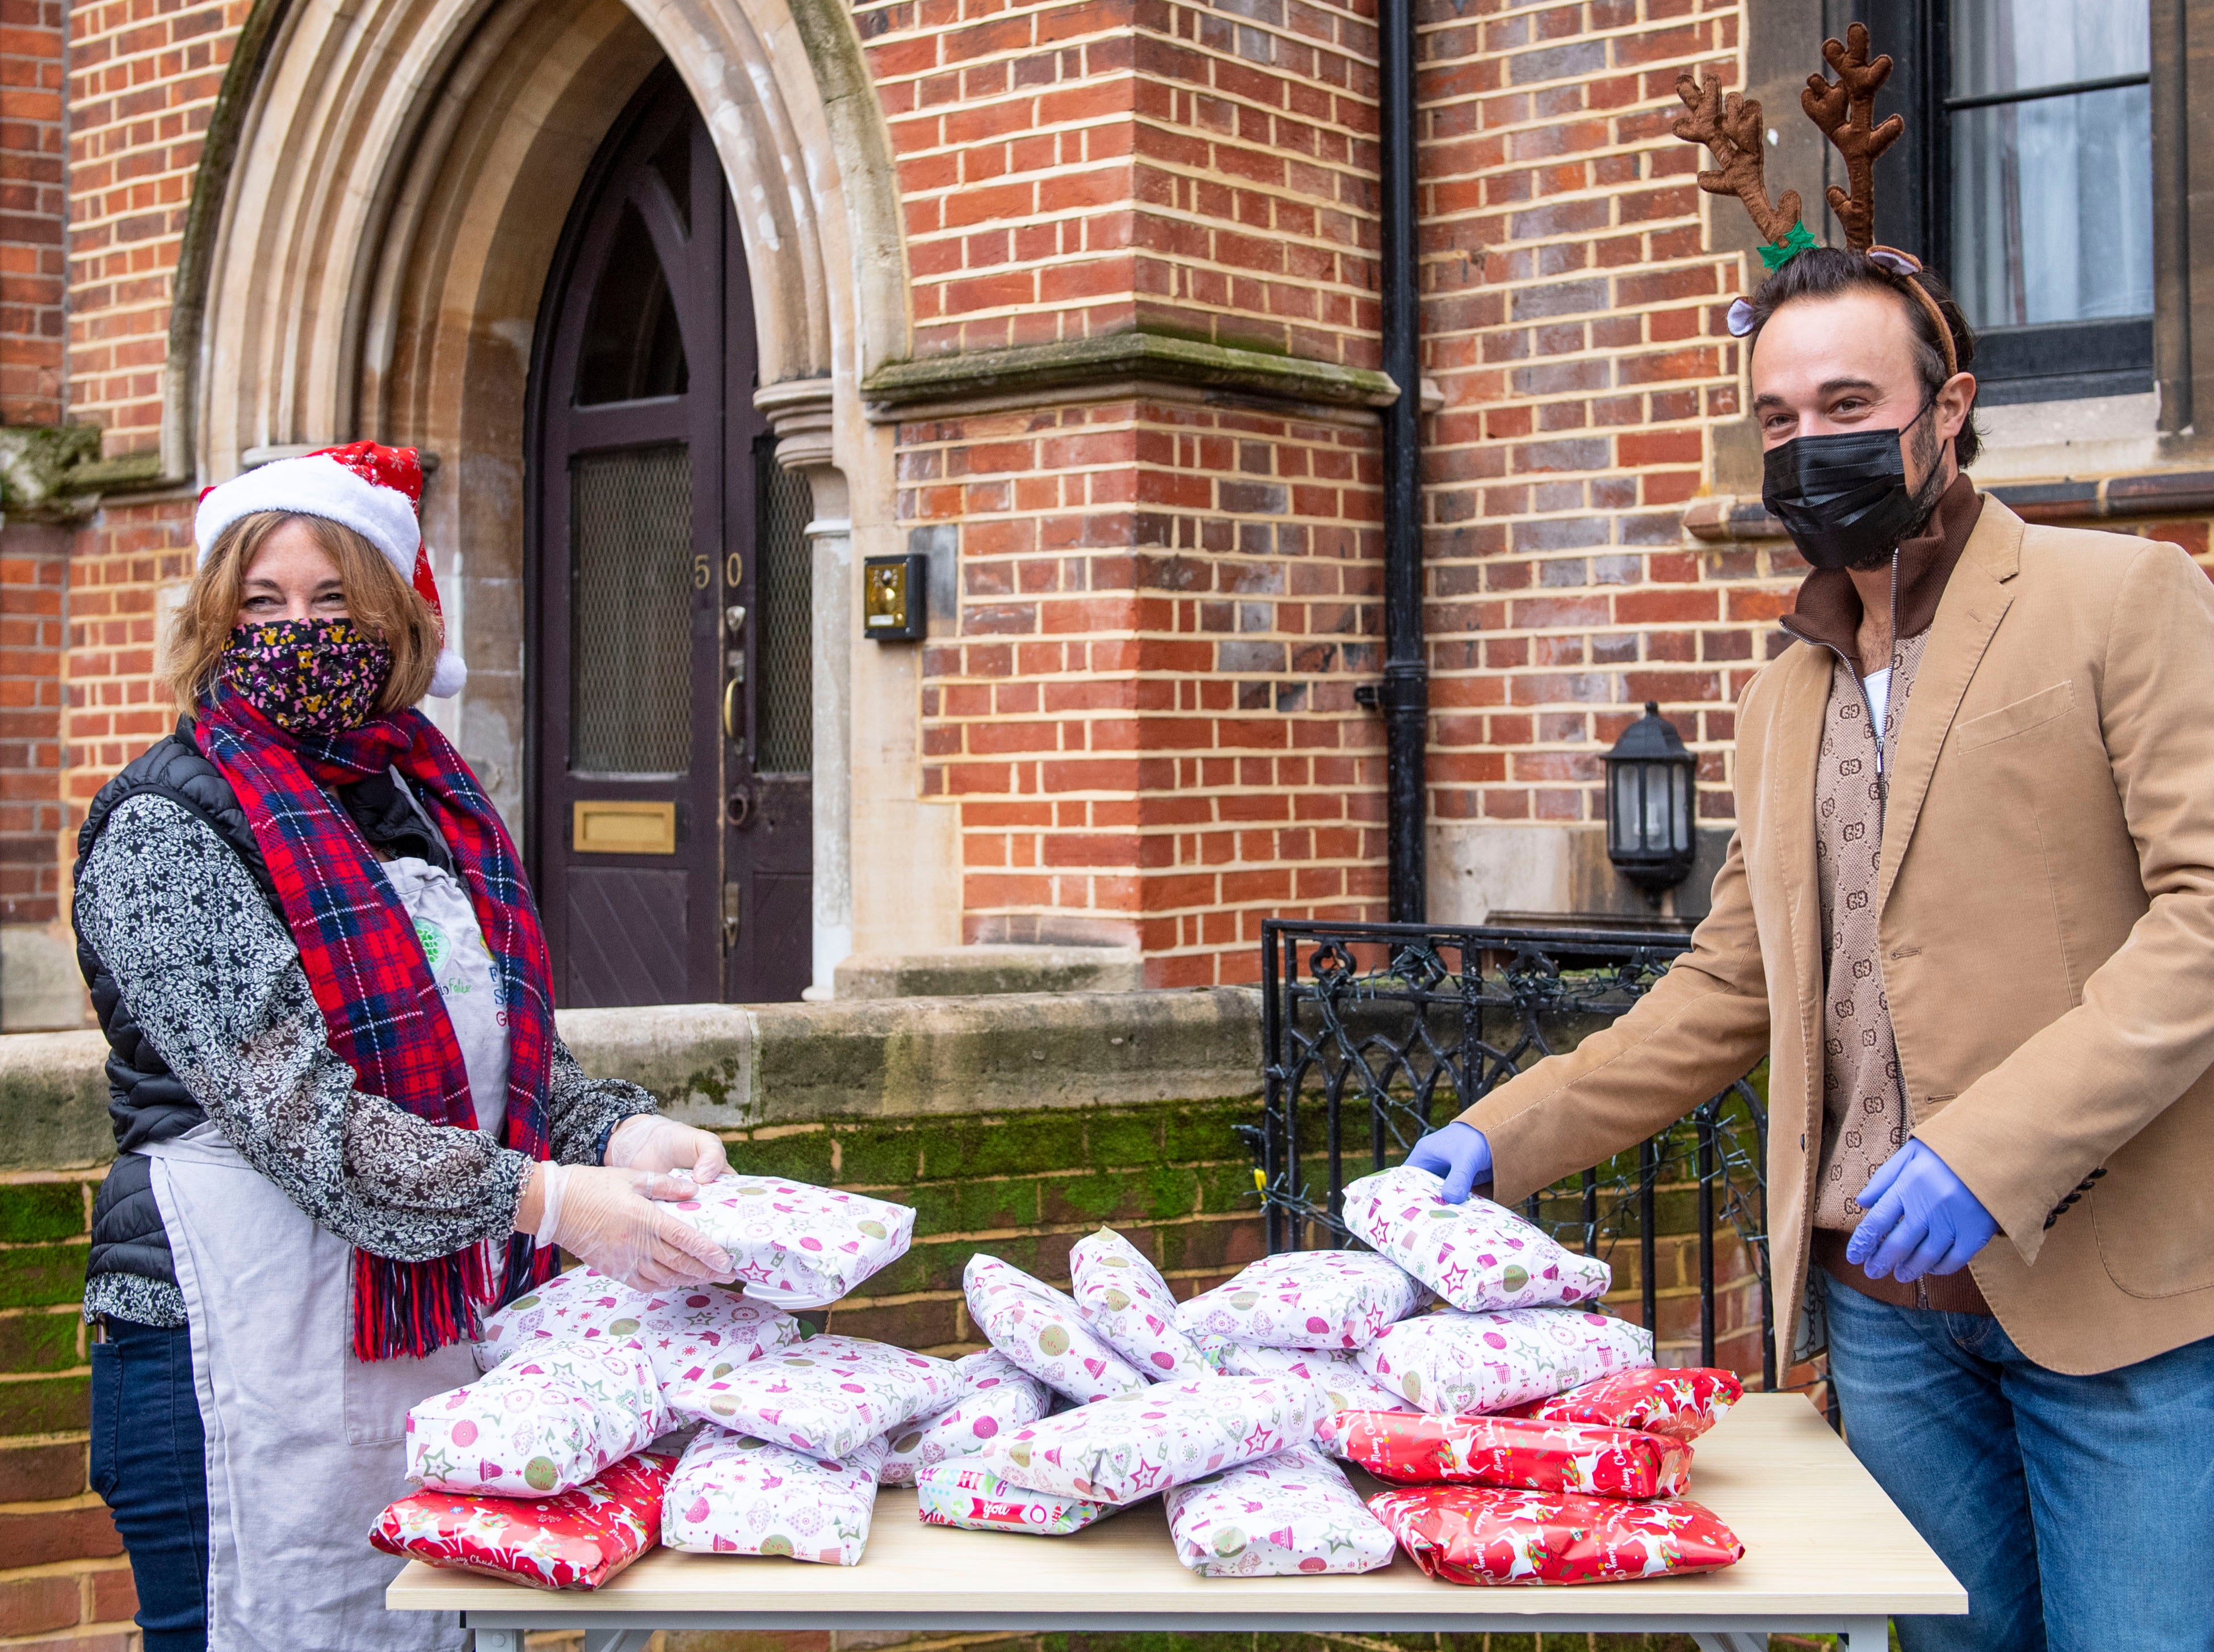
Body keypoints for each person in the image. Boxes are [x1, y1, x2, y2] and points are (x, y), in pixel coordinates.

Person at [1409, 31, 2214, 1652]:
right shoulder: (1781, 689)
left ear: (1947, 409)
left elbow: (2201, 921)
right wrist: (1495, 1142)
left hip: (2116, 1313)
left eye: (1846, 403)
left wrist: (1989, 1155)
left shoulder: (2121, 598)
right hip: (1882, 1325)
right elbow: (1725, 989)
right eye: (1775, 418)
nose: (1806, 447)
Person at [75, 442, 736, 1652]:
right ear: (215, 622)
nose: (299, 631)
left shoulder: (435, 804)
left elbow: (500, 1064)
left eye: (335, 602)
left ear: (396, 619)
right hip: (231, 1347)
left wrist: (618, 1133)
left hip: (430, 1344)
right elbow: (300, 1120)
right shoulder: (165, 824)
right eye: (262, 604)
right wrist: (554, 1201)